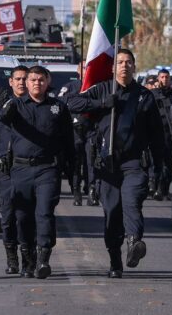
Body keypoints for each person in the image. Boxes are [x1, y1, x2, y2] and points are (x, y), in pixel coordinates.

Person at [66, 49, 165, 278]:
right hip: (106, 165)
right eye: (120, 62)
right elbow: (71, 102)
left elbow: (157, 136)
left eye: (129, 62)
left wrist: (157, 170)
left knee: (132, 203)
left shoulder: (144, 95)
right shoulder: (102, 88)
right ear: (113, 67)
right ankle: (115, 260)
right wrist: (101, 103)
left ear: (134, 66)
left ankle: (134, 242)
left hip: (133, 163)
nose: (124, 66)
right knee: (112, 213)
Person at [0, 65, 74, 279]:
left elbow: (69, 141)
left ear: (47, 82)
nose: (36, 83)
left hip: (48, 169)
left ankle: (43, 259)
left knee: (45, 213)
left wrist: (73, 172)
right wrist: (4, 107)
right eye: (32, 80)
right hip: (20, 170)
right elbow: (0, 115)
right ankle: (26, 259)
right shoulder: (16, 105)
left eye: (41, 80)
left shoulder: (58, 107)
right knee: (22, 217)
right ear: (25, 84)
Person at [0, 65, 28, 276]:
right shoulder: (0, 104)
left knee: (27, 215)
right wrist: (5, 103)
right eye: (17, 79)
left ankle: (28, 257)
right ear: (11, 82)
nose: (21, 82)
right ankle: (12, 258)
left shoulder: (35, 104)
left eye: (24, 79)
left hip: (28, 166)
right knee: (8, 215)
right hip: (6, 168)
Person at [56, 61, 93, 207]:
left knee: (91, 161)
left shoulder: (96, 86)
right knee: (75, 164)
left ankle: (92, 190)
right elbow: (61, 101)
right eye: (84, 67)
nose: (86, 70)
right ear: (79, 71)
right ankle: (76, 192)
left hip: (91, 130)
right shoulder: (70, 87)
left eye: (88, 67)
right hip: (74, 130)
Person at [150, 68, 172, 200]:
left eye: (167, 77)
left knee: (168, 164)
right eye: (162, 77)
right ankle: (153, 184)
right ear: (158, 78)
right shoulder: (152, 94)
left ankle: (161, 189)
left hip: (170, 133)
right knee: (155, 161)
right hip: (156, 132)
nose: (164, 79)